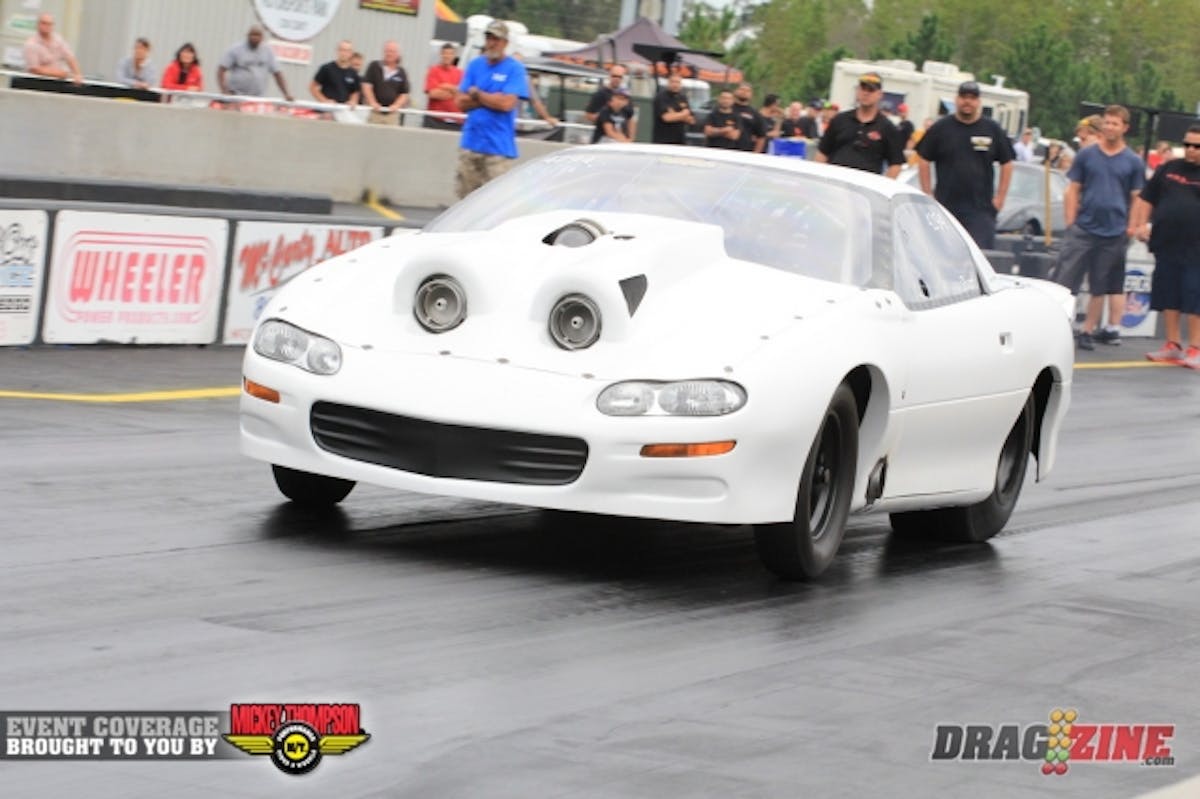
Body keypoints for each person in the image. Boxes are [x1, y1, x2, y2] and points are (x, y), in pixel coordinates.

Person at [1051, 104, 1145, 350]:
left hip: (1114, 231)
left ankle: (1087, 329)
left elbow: (1137, 197)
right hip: (1083, 228)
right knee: (1065, 280)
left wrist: (1132, 226)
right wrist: (1071, 220)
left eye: (1115, 123)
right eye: (1107, 122)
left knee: (1099, 286)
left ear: (1125, 128)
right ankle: (1057, 325)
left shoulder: (1133, 161)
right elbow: (1073, 188)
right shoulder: (1087, 155)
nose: (1110, 127)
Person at [1130, 125, 1200, 368]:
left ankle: (1196, 347)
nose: (1191, 149)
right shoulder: (1169, 168)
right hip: (1167, 242)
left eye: (1197, 146)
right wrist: (1140, 225)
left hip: (1196, 248)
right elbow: (1146, 198)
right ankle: (1173, 344)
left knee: (1194, 295)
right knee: (1169, 293)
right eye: (1187, 144)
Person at [916, 81, 1014, 249]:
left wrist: (1000, 199)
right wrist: (928, 195)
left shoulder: (992, 129)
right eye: (963, 97)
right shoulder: (941, 128)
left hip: (981, 211)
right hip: (945, 208)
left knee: (979, 256)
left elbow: (1007, 163)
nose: (967, 102)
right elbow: (923, 159)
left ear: (979, 102)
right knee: (942, 255)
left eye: (972, 98)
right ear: (956, 100)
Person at [454, 20, 528, 198]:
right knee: (464, 200)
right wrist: (493, 98)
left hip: (498, 149)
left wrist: (477, 95)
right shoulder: (475, 65)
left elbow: (506, 104)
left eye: (496, 39)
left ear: (505, 43)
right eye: (489, 38)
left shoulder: (515, 69)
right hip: (471, 144)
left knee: (494, 200)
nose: (492, 43)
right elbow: (460, 102)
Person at [817, 72, 904, 177]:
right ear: (857, 91)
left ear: (880, 95)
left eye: (871, 90)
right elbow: (822, 153)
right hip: (835, 181)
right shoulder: (840, 120)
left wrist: (883, 185)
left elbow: (896, 164)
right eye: (863, 89)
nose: (866, 93)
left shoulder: (887, 127)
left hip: (865, 185)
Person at [217, 25, 292, 100]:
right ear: (247, 35)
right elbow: (221, 70)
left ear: (262, 37)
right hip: (236, 96)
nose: (255, 37)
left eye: (258, 35)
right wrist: (224, 90)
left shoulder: (268, 51)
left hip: (258, 98)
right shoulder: (236, 49)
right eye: (252, 35)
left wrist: (286, 94)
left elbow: (277, 74)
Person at [22, 13, 83, 84]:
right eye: (44, 23)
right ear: (38, 25)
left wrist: (77, 74)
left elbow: (70, 57)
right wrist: (60, 74)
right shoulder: (31, 44)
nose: (47, 26)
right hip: (37, 83)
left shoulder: (58, 39)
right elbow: (34, 69)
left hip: (58, 83)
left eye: (50, 24)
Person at [362, 41, 409, 125]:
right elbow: (366, 86)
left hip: (392, 115)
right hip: (374, 113)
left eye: (392, 51)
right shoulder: (374, 66)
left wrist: (396, 105)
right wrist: (372, 102)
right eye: (387, 51)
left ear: (397, 54)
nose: (389, 54)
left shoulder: (401, 72)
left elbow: (404, 93)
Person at [585, 65, 631, 142]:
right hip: (602, 138)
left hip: (620, 140)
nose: (617, 79)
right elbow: (588, 115)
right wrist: (605, 118)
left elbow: (631, 118)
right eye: (614, 76)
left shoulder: (626, 96)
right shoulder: (600, 95)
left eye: (620, 77)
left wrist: (629, 138)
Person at [424, 42, 463, 129]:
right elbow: (433, 94)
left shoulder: (460, 73)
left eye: (450, 54)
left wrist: (445, 86)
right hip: (436, 120)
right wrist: (454, 92)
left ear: (454, 56)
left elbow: (463, 94)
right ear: (441, 54)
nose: (447, 56)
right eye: (445, 53)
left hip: (456, 121)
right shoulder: (433, 71)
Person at [310, 40, 360, 105]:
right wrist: (324, 101)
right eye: (342, 50)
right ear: (337, 51)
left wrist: (353, 101)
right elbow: (313, 87)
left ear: (351, 53)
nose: (344, 53)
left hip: (343, 109)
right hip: (327, 109)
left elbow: (355, 92)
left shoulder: (353, 73)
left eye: (347, 51)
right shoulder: (326, 68)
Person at [651, 72, 694, 145]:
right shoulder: (661, 97)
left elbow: (692, 120)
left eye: (678, 82)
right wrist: (683, 114)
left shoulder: (682, 98)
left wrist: (674, 114)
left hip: (680, 141)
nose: (675, 85)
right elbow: (667, 118)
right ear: (668, 83)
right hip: (663, 140)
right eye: (673, 82)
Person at [731, 83, 766, 153]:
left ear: (751, 95)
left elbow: (761, 136)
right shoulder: (727, 108)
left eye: (747, 91)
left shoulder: (755, 114)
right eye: (742, 89)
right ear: (735, 91)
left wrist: (756, 153)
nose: (744, 92)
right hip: (723, 150)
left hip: (744, 152)